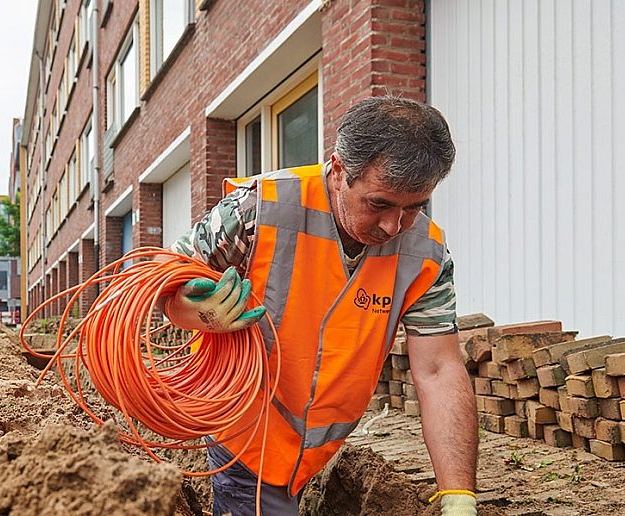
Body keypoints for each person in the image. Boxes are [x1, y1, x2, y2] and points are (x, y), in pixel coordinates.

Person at [163, 96, 478, 516]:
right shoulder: (259, 209)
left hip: (316, 449)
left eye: (414, 208)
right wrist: (195, 311)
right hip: (244, 432)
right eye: (379, 203)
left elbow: (438, 369)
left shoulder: (427, 254)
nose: (393, 226)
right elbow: (166, 280)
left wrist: (459, 493)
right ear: (338, 169)